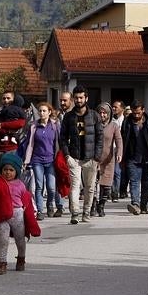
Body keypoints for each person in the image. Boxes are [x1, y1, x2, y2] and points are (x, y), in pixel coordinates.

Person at [0, 153, 40, 275]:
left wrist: (32, 213)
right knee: (3, 240)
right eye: (5, 169)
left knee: (20, 239)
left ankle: (21, 259)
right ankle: (2, 263)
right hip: (2, 214)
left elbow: (27, 200)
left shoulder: (21, 185)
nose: (8, 172)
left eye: (11, 170)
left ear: (16, 171)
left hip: (17, 215)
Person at [59, 86, 103, 224]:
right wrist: (67, 156)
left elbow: (100, 138)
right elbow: (63, 138)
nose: (78, 100)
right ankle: (75, 214)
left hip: (91, 158)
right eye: (76, 98)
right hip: (74, 158)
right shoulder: (68, 116)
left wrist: (97, 157)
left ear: (86, 98)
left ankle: (86, 212)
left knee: (90, 188)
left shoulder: (94, 116)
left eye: (81, 98)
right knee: (75, 186)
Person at [121, 100, 148, 215]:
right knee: (134, 182)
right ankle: (135, 204)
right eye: (134, 113)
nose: (136, 115)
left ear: (143, 111)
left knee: (147, 183)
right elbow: (122, 140)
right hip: (132, 157)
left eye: (138, 113)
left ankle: (143, 206)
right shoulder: (127, 122)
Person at [23, 102, 63, 220]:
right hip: (37, 160)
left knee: (51, 187)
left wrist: (62, 157)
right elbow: (30, 144)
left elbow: (60, 143)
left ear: (49, 112)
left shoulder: (55, 126)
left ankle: (50, 204)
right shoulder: (34, 126)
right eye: (40, 111)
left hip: (51, 160)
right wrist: (27, 160)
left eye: (44, 111)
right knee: (39, 186)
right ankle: (39, 210)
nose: (41, 113)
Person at [95, 103, 122, 217]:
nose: (102, 115)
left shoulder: (114, 126)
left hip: (108, 159)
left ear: (109, 113)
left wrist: (119, 153)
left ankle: (101, 206)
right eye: (100, 112)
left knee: (106, 185)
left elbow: (119, 141)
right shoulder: (93, 124)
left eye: (104, 113)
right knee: (92, 185)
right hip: (94, 158)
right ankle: (92, 205)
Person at [0, 90, 26, 169]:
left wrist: (2, 125)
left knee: (13, 175)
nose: (6, 100)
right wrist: (10, 130)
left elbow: (21, 123)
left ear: (13, 99)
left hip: (13, 149)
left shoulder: (17, 111)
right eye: (4, 98)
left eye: (8, 98)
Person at [111, 100, 126, 202]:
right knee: (112, 172)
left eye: (116, 107)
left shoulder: (126, 121)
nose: (114, 109)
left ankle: (118, 191)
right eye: (113, 107)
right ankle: (113, 192)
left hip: (121, 149)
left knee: (118, 172)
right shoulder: (111, 121)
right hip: (111, 148)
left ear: (122, 109)